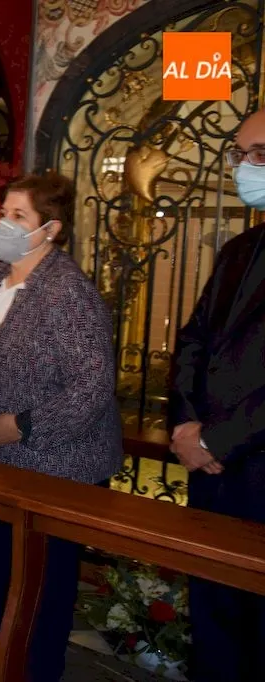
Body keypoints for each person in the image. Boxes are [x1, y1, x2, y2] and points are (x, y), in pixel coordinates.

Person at [0, 173, 123, 682]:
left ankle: (37, 668)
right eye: (3, 212)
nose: (4, 223)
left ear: (52, 228)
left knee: (44, 579)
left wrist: (23, 426)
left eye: (18, 216)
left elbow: (93, 385)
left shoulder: (69, 293)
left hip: (57, 461)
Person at [169, 108, 265, 682]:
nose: (243, 167)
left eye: (258, 153)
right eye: (239, 154)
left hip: (256, 463)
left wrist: (220, 437)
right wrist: (186, 423)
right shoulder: (239, 248)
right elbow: (193, 338)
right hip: (210, 470)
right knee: (212, 614)